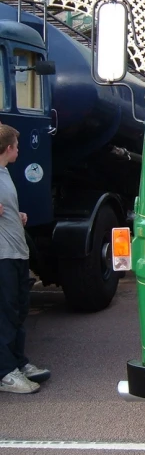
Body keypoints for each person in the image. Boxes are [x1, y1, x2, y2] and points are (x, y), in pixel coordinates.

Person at [0, 125, 50, 394]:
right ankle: (5, 373)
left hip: (16, 252)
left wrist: (15, 216)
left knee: (19, 312)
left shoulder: (4, 172)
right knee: (5, 315)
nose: (19, 150)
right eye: (17, 146)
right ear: (8, 148)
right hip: (2, 256)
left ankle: (19, 363)